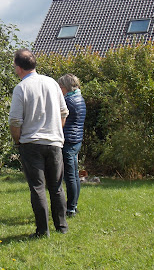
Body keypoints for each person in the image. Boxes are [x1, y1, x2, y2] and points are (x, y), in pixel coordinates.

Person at [9, 49, 69, 237]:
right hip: (54, 142)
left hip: (32, 143)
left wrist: (18, 141)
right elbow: (63, 112)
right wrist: (55, 131)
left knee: (37, 187)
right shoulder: (52, 82)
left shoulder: (21, 88)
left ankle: (43, 231)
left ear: (18, 68)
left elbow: (15, 121)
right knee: (56, 187)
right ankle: (62, 226)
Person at [58, 74, 86, 217]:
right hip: (76, 140)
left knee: (70, 176)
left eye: (60, 87)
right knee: (74, 174)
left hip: (68, 141)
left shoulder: (68, 101)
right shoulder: (79, 98)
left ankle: (70, 208)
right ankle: (73, 205)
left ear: (65, 87)